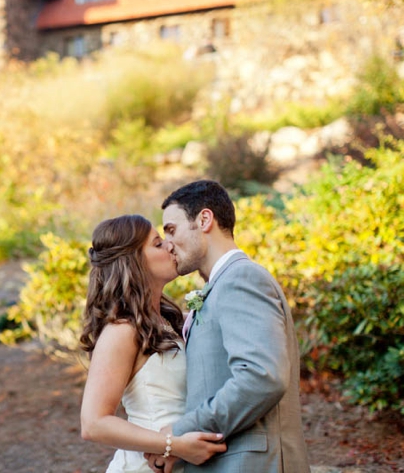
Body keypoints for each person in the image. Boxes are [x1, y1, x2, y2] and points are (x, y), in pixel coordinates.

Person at [146, 180, 310, 473]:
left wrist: (180, 432)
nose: (167, 243)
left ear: (204, 219)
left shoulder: (241, 279)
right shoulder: (221, 286)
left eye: (171, 229)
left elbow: (261, 377)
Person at [80, 214, 227, 473]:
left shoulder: (170, 320)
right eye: (158, 243)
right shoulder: (123, 331)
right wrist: (173, 446)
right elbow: (93, 423)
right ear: (133, 262)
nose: (170, 245)